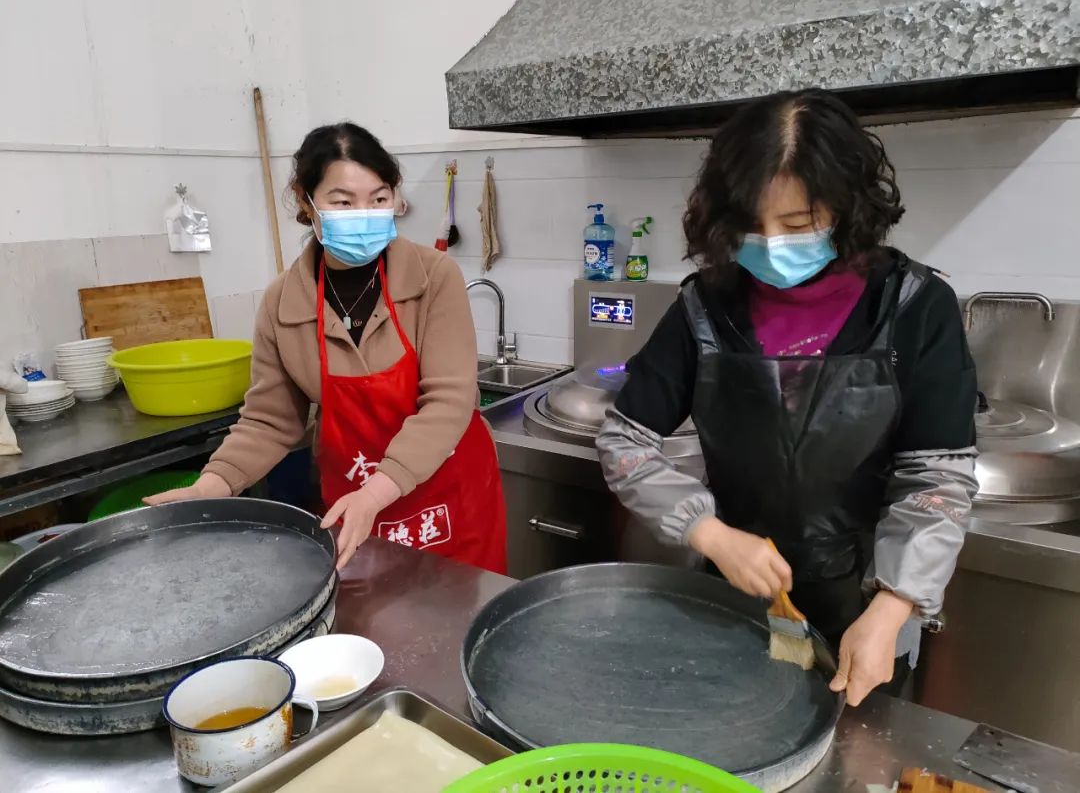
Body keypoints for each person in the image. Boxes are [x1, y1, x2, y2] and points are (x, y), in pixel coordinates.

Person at [596, 89, 978, 706]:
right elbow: (625, 442)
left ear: (848, 205)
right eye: (751, 225)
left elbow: (936, 476)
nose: (770, 245)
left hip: (869, 608)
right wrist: (710, 534)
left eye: (797, 226)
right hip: (737, 592)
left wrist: (892, 608)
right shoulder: (705, 306)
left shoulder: (914, 307)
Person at [149, 123, 507, 574]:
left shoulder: (433, 276)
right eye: (343, 202)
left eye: (379, 199)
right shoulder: (284, 302)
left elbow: (449, 400)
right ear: (307, 202)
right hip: (353, 504)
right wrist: (213, 484)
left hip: (449, 503)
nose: (366, 213)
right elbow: (270, 419)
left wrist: (376, 494)